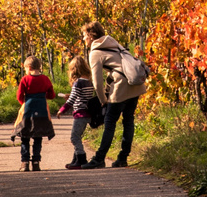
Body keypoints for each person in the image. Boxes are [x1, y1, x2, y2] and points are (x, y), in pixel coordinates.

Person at [80, 21, 146, 169]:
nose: (83, 39)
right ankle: (122, 158)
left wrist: (103, 100)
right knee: (128, 120)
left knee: (110, 123)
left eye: (84, 35)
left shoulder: (95, 52)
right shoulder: (115, 44)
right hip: (135, 86)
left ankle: (99, 159)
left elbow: (96, 82)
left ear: (91, 35)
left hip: (121, 87)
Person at [13, 56, 56, 171]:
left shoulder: (25, 80)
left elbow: (19, 95)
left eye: (26, 68)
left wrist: (24, 103)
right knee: (38, 137)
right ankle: (36, 162)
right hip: (42, 111)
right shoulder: (45, 79)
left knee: (25, 137)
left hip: (28, 111)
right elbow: (52, 95)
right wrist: (42, 97)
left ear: (29, 67)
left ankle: (25, 162)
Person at [57, 55, 99, 169]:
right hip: (87, 112)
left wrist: (62, 110)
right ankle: (75, 159)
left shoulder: (78, 82)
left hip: (80, 113)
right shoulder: (89, 82)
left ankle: (81, 159)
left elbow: (72, 100)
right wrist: (71, 95)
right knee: (78, 136)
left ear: (74, 70)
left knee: (74, 137)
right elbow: (82, 96)